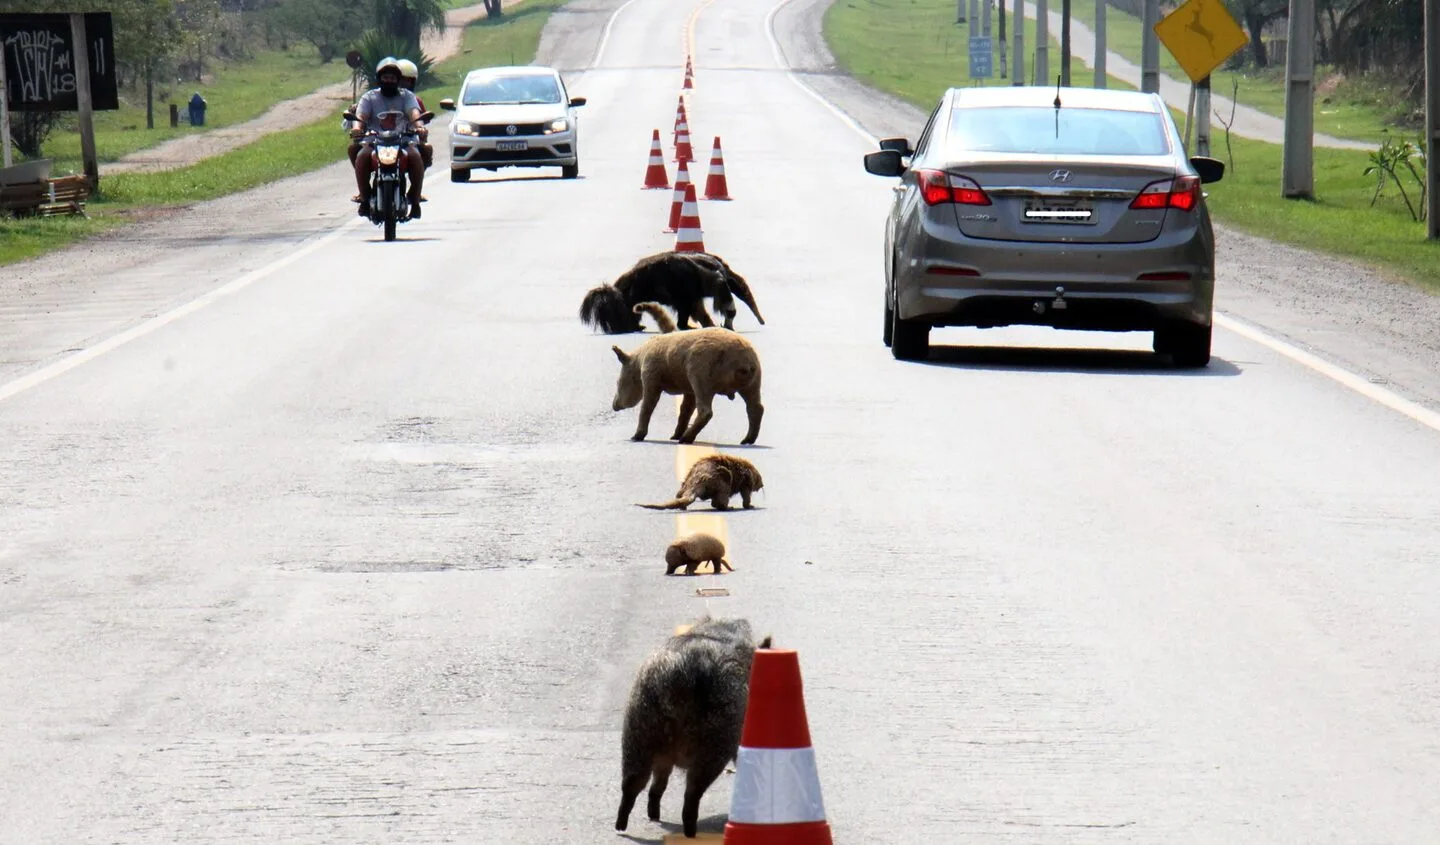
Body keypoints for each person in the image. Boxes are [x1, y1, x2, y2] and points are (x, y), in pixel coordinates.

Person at [351, 57, 426, 219]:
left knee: (416, 156)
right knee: (362, 157)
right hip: (375, 141)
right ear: (379, 79)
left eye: (392, 78)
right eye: (385, 78)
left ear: (398, 80)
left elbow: (414, 112)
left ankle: (415, 199)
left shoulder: (406, 96)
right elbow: (361, 116)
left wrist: (419, 126)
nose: (389, 81)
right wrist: (357, 129)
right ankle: (364, 199)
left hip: (402, 141)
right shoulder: (369, 97)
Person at [394, 58, 434, 171]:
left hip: (408, 138)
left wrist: (420, 128)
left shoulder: (415, 100)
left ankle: (418, 176)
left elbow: (420, 118)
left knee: (425, 149)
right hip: (385, 138)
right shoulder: (382, 97)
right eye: (400, 80)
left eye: (408, 81)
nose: (403, 84)